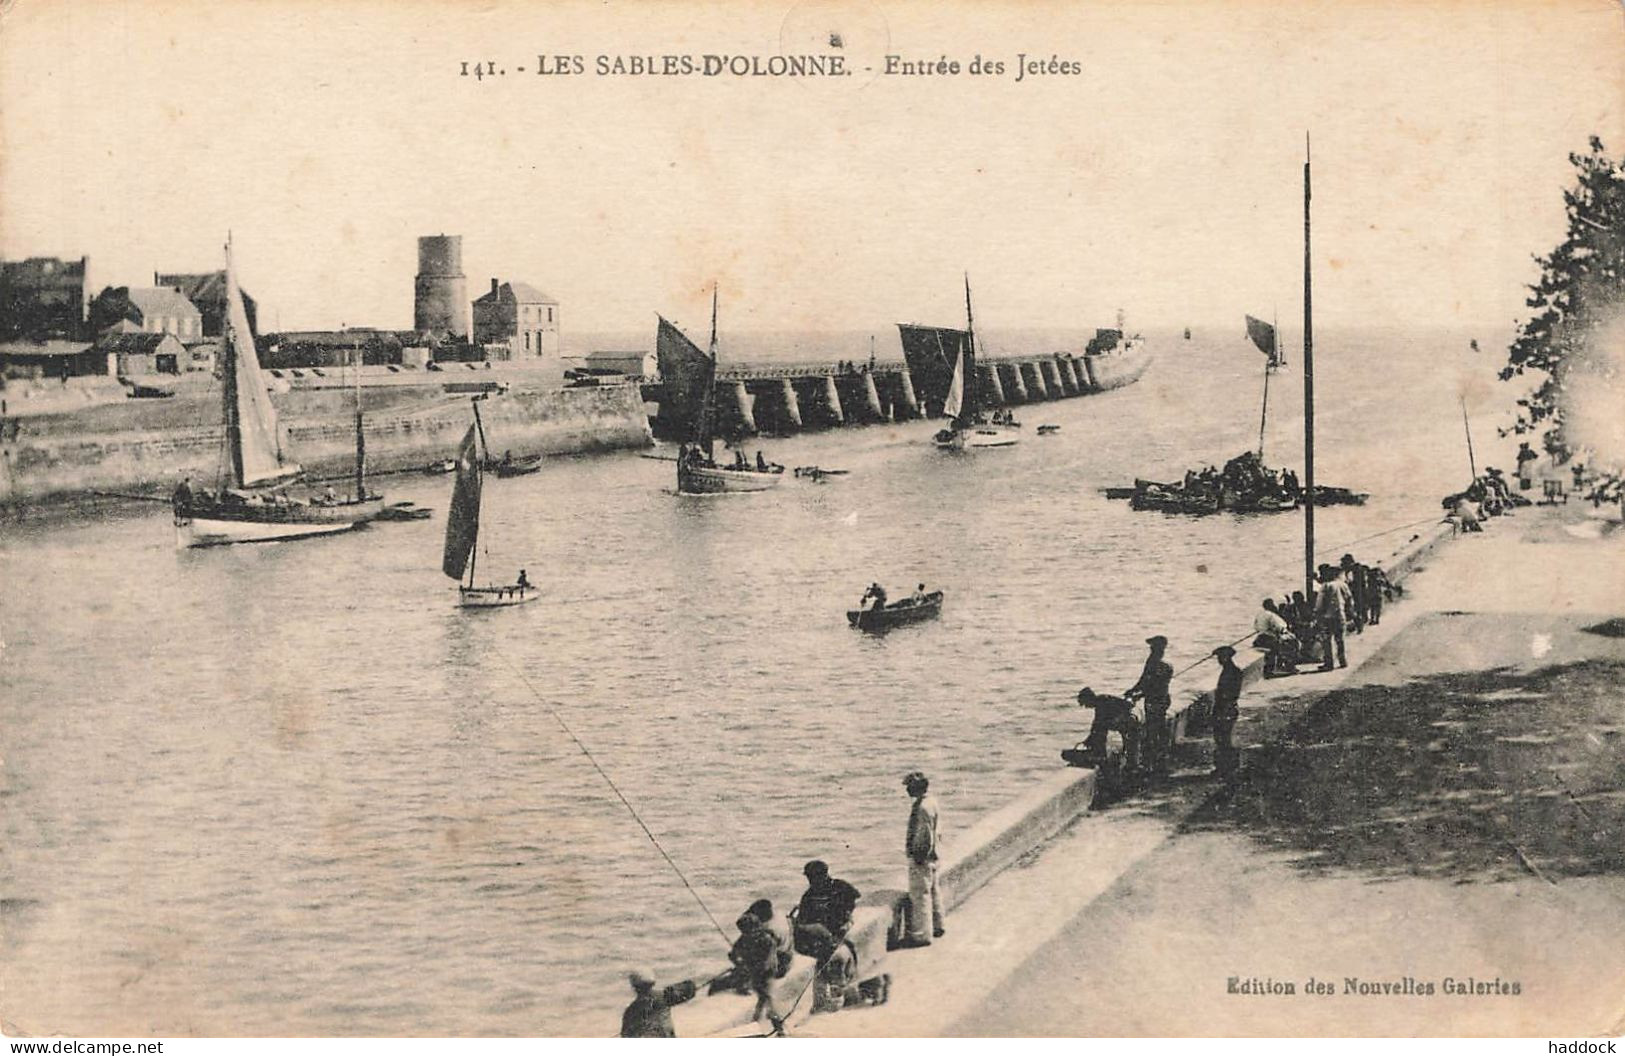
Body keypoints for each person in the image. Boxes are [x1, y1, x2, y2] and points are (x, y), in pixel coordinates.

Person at [901, 771, 942, 946]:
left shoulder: (922, 807)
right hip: (933, 856)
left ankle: (922, 935)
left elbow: (924, 835)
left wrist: (918, 856)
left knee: (920, 895)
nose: (907, 790)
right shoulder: (931, 802)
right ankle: (938, 925)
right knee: (933, 891)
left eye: (909, 786)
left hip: (923, 858)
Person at [1124, 635, 1173, 774]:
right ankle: (1159, 763)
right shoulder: (1162, 663)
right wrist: (1134, 690)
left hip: (1155, 701)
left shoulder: (1156, 663)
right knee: (1158, 730)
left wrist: (1136, 693)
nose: (1151, 649)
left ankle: (1155, 765)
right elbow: (1145, 681)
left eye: (1153, 647)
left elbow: (1149, 684)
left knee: (1154, 731)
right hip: (1160, 699)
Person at [793, 860, 862, 957]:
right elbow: (804, 917)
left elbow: (856, 898)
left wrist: (848, 913)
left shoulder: (840, 886)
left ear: (823, 875)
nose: (810, 880)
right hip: (821, 929)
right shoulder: (809, 895)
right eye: (809, 877)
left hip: (840, 925)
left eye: (812, 877)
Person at [620, 969, 699, 1037]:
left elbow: (626, 1035)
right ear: (653, 982)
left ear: (634, 987)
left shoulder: (631, 1010)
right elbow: (689, 988)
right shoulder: (665, 995)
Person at [1211, 645, 1243, 778]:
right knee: (1223, 738)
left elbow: (1228, 694)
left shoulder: (1231, 672)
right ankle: (1227, 766)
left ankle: (1226, 767)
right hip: (1227, 708)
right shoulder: (1232, 671)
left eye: (1220, 657)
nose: (1218, 660)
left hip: (1226, 708)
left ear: (1226, 658)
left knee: (1223, 738)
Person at [1314, 564, 1353, 671]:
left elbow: (1319, 604)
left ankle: (1329, 663)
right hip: (1341, 615)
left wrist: (1317, 615)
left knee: (1327, 641)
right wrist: (1349, 613)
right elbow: (1349, 600)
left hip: (1328, 617)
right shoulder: (1343, 585)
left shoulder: (1326, 586)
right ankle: (1343, 661)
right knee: (1340, 640)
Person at [1253, 599, 1296, 677]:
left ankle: (1276, 667)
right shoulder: (1271, 615)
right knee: (1291, 642)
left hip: (1260, 639)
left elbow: (1256, 627)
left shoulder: (1260, 615)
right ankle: (1285, 667)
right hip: (1269, 639)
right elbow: (1280, 627)